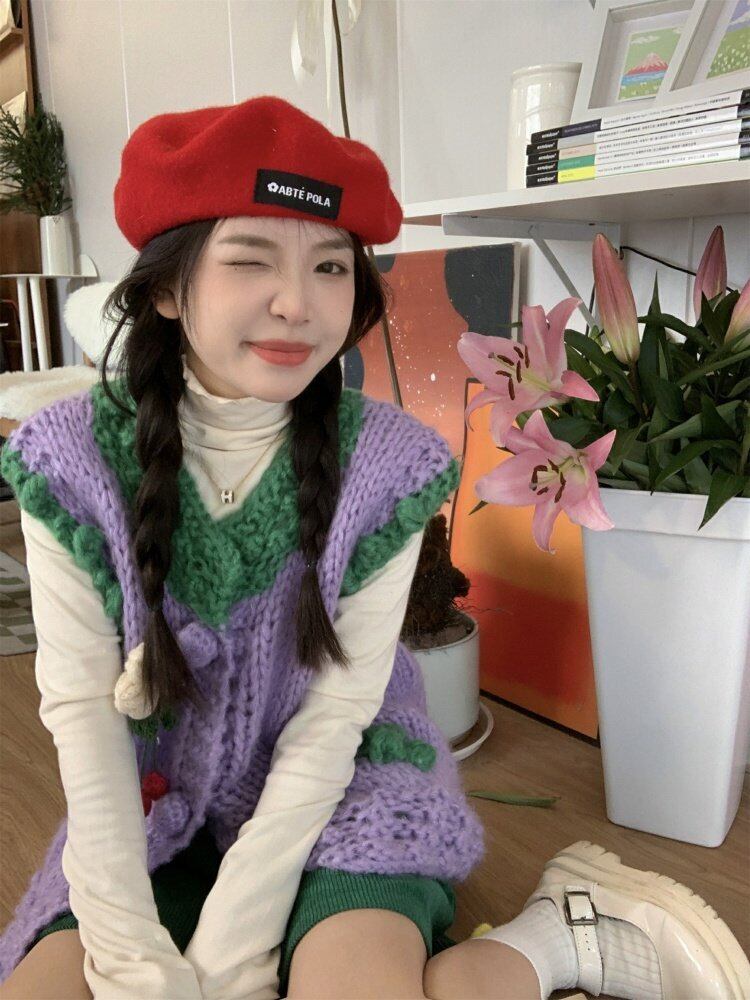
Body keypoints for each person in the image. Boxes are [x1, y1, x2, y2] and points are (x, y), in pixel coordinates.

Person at [0, 95, 747, 1000]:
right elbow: (83, 714)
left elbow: (333, 725)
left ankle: (559, 939)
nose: (297, 303)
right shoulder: (66, 459)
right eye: (250, 259)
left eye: (329, 266)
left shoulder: (388, 464)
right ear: (164, 287)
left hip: (347, 782)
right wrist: (130, 962)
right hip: (154, 800)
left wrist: (232, 956)